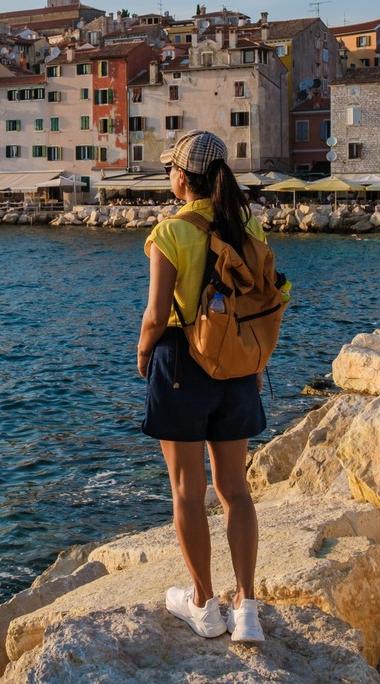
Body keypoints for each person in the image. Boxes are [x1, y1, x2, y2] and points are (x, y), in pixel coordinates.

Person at [137, 130, 267, 643]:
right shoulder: (247, 223)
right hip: (237, 363)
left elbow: (155, 313)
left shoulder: (170, 231)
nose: (168, 174)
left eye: (171, 167)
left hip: (180, 364)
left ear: (183, 177)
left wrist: (144, 352)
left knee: (188, 491)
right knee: (235, 489)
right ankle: (248, 610)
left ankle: (203, 605)